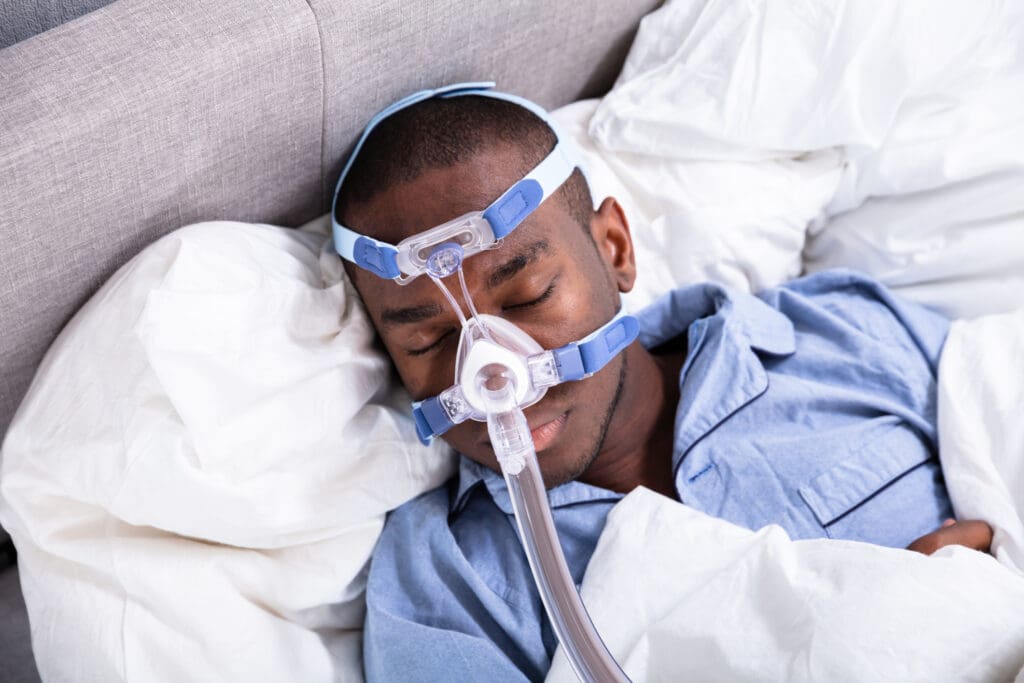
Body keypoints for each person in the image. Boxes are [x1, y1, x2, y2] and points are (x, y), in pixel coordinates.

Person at [331, 87, 992, 681]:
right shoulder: (446, 587)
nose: (494, 374)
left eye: (528, 296)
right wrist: (877, 637)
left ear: (614, 248)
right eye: (430, 340)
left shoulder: (845, 338)